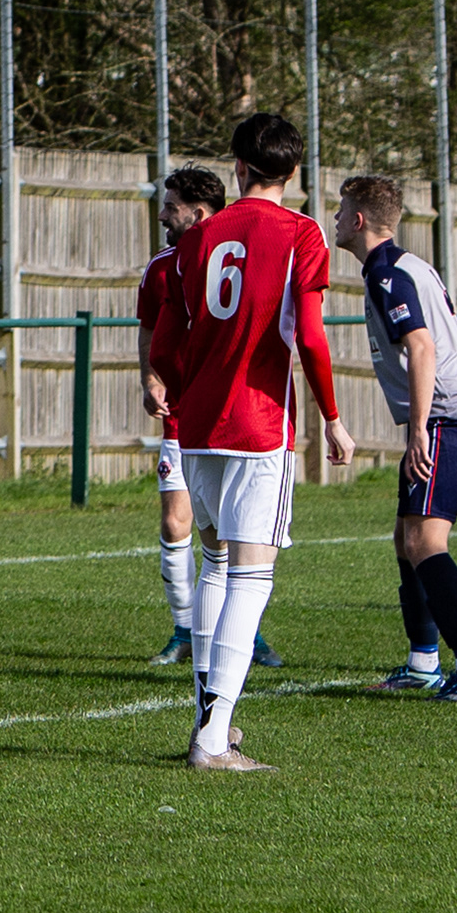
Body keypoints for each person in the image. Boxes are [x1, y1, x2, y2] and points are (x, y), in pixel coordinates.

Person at [155, 114, 354, 773]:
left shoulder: (201, 235)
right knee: (252, 574)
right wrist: (332, 415)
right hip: (260, 423)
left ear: (237, 167)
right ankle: (212, 741)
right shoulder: (300, 233)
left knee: (214, 566)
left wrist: (183, 396)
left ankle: (214, 722)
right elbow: (314, 338)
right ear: (293, 172)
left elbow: (165, 341)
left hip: (199, 424)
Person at [333, 174, 457, 700]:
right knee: (405, 540)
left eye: (340, 212)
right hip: (447, 417)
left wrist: (421, 429)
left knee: (425, 541)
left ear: (358, 220)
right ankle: (424, 660)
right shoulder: (399, 266)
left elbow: (422, 347)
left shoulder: (387, 272)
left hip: (451, 418)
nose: (335, 220)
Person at [141, 168, 231, 669]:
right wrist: (150, 379)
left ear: (197, 213)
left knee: (234, 530)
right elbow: (150, 331)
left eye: (170, 206)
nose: (161, 214)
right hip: (181, 416)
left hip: (232, 418)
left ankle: (243, 632)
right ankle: (185, 629)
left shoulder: (238, 257)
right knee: (177, 521)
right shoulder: (161, 268)